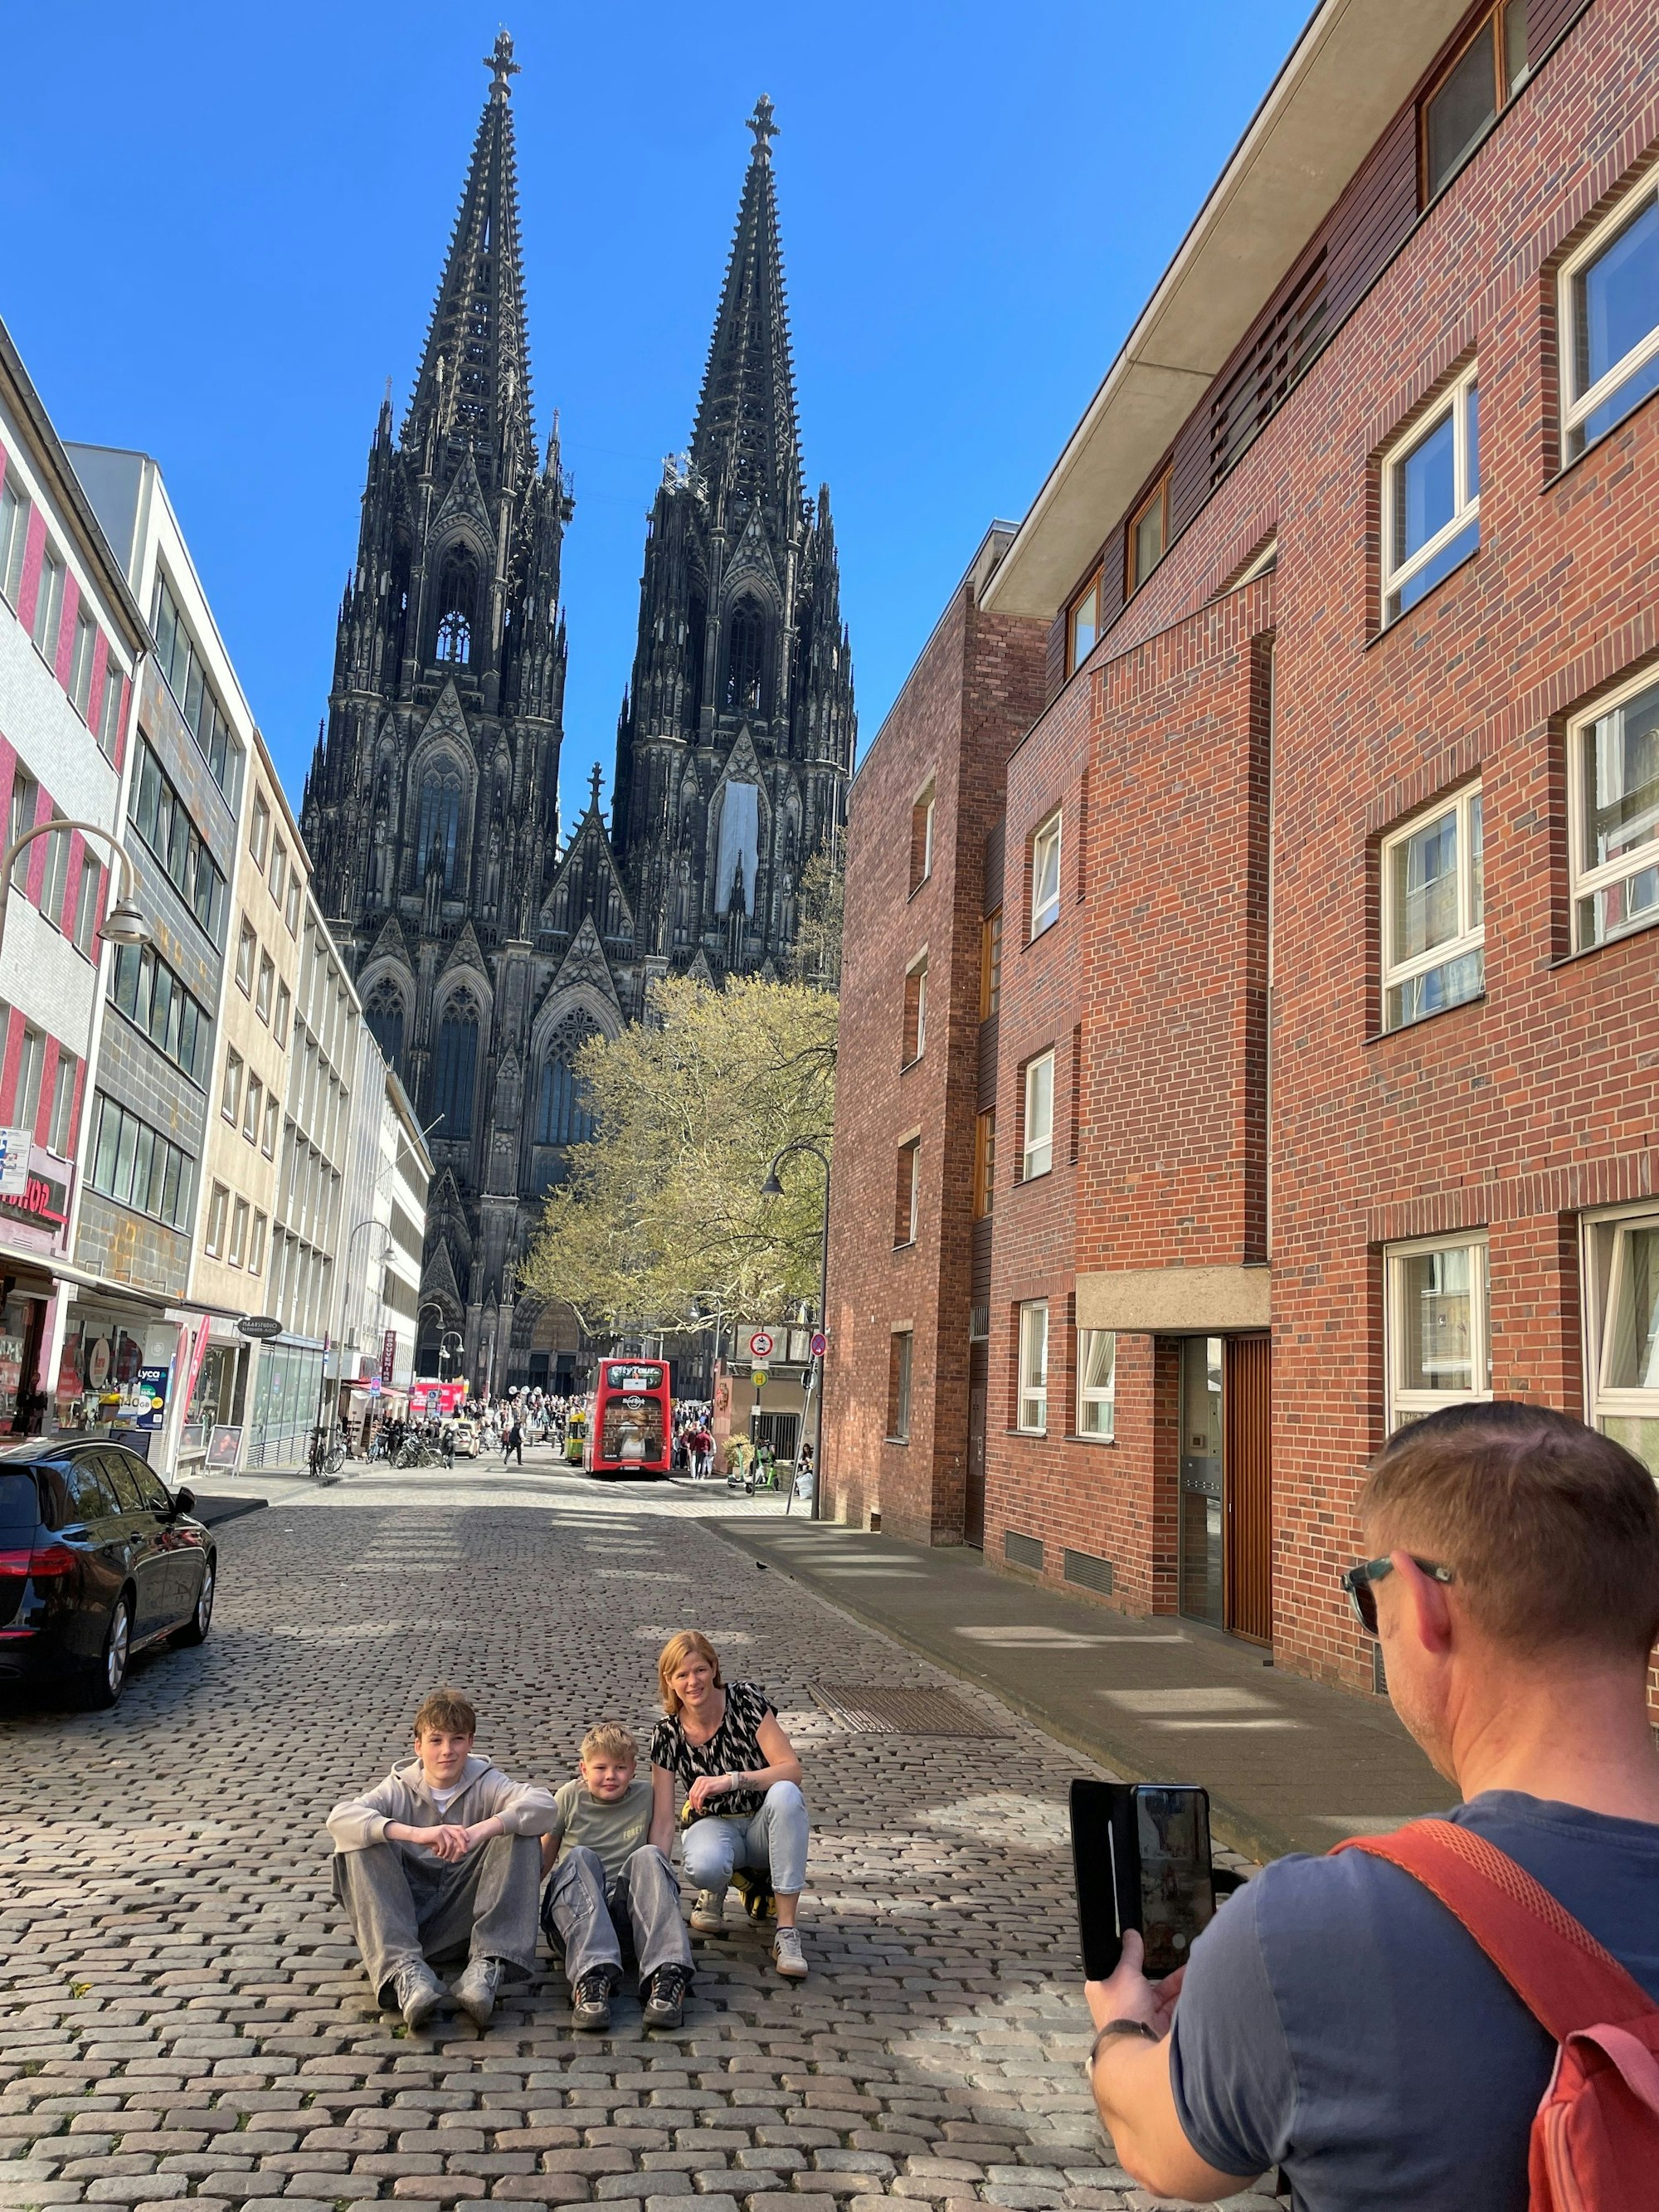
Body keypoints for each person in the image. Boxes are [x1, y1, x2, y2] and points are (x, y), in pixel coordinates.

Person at [1082, 1402, 1659, 2210]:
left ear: (1421, 1605)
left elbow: (1156, 2144)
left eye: (1365, 1594)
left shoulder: (1309, 1931)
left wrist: (1120, 2028)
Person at [328, 1685, 558, 2030]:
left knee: (521, 1830)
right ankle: (404, 1972)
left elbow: (544, 1806)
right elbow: (339, 1818)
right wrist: (416, 1834)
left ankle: (487, 1966)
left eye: (457, 1740)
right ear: (418, 1746)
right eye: (436, 1741)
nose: (447, 1751)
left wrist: (479, 1831)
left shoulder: (487, 1781)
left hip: (466, 1916)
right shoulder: (397, 1788)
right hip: (406, 1916)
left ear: (470, 1742)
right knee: (360, 1840)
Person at [649, 1630, 811, 1981]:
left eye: (700, 1670)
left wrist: (731, 1780)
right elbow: (662, 1820)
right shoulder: (667, 1733)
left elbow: (791, 1769)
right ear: (669, 1681)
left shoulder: (745, 1700)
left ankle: (786, 1932)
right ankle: (714, 1888)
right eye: (682, 1674)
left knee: (787, 1794)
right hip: (714, 1825)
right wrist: (655, 1882)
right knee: (704, 1864)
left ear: (714, 1667)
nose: (693, 1682)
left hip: (762, 1824)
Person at [539, 1723, 694, 2033]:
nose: (610, 1776)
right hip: (576, 1921)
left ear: (633, 1769)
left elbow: (659, 1854)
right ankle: (591, 1978)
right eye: (601, 1768)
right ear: (584, 1769)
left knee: (649, 1855)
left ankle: (667, 1975)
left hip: (629, 1925)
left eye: (620, 1768)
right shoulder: (568, 1797)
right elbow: (542, 1860)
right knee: (580, 1857)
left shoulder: (646, 1796)